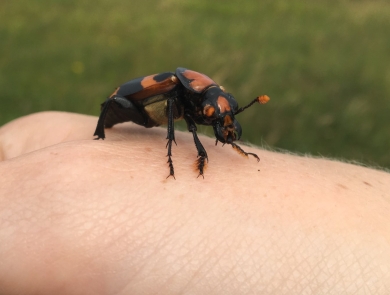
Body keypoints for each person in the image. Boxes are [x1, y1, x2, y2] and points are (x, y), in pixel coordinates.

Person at [0, 111, 389, 294]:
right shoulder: (176, 95)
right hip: (132, 103)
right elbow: (168, 118)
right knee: (134, 109)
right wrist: (175, 154)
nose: (223, 121)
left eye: (227, 120)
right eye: (219, 116)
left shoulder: (200, 102)